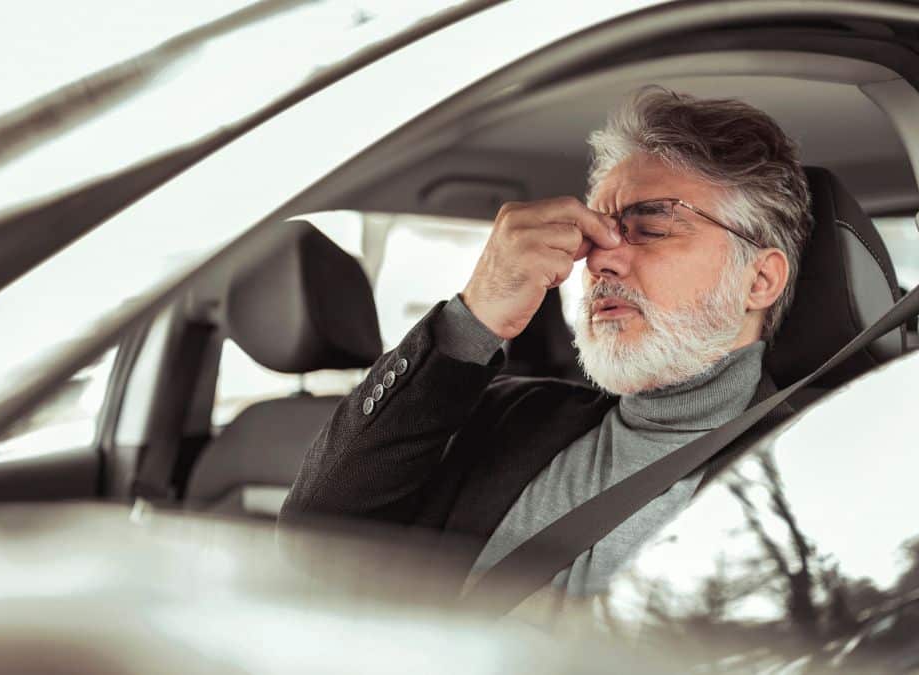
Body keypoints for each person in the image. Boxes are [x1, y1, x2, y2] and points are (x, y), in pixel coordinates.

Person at [280, 87, 813, 599]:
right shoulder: (506, 417)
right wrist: (475, 316)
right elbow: (315, 536)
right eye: (596, 234)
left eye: (649, 230)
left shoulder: (809, 481)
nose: (601, 260)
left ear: (760, 281)